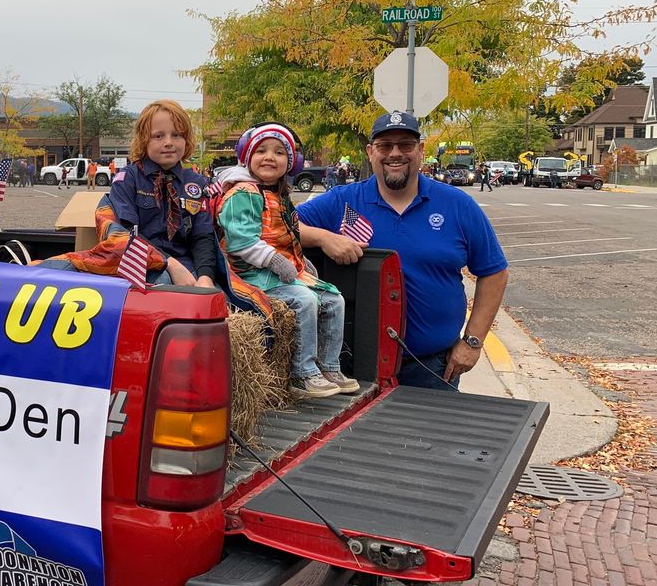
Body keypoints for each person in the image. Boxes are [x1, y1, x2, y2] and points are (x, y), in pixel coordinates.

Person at [296, 112, 508, 390]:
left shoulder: (457, 205)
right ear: (371, 152)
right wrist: (323, 237)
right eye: (385, 146)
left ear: (420, 150)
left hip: (433, 368)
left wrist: (473, 341)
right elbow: (278, 227)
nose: (395, 154)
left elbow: (494, 272)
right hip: (352, 369)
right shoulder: (342, 201)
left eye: (405, 145)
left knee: (431, 435)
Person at [216, 124, 357, 398]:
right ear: (246, 156)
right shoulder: (242, 193)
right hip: (249, 276)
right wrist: (277, 262)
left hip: (275, 272)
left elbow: (288, 235)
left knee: (333, 299)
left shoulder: (277, 195)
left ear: (291, 163)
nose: (270, 157)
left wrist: (302, 264)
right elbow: (240, 241)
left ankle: (328, 366)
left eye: (279, 152)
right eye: (261, 150)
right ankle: (302, 374)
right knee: (305, 300)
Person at [36, 100, 216, 288]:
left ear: (186, 140)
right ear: (144, 140)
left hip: (186, 266)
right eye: (158, 136)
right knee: (162, 284)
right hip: (140, 262)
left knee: (218, 292)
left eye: (176, 135)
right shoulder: (128, 179)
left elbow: (202, 236)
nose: (168, 142)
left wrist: (206, 276)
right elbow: (126, 235)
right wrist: (168, 263)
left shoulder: (196, 183)